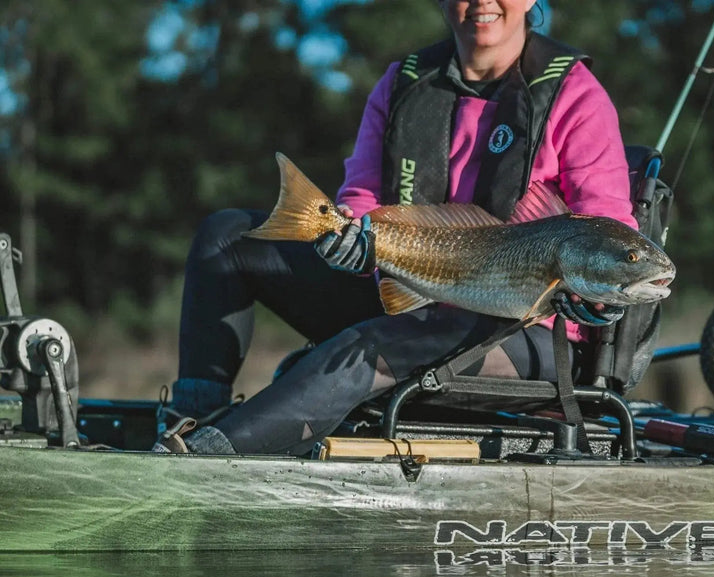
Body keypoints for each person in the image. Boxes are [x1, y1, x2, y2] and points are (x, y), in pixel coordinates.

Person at [156, 0, 636, 455]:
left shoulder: (576, 93)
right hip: (408, 285)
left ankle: (202, 459)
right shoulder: (403, 82)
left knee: (359, 349)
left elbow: (607, 227)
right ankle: (192, 417)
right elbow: (362, 194)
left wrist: (598, 303)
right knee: (225, 237)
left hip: (525, 331)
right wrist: (351, 238)